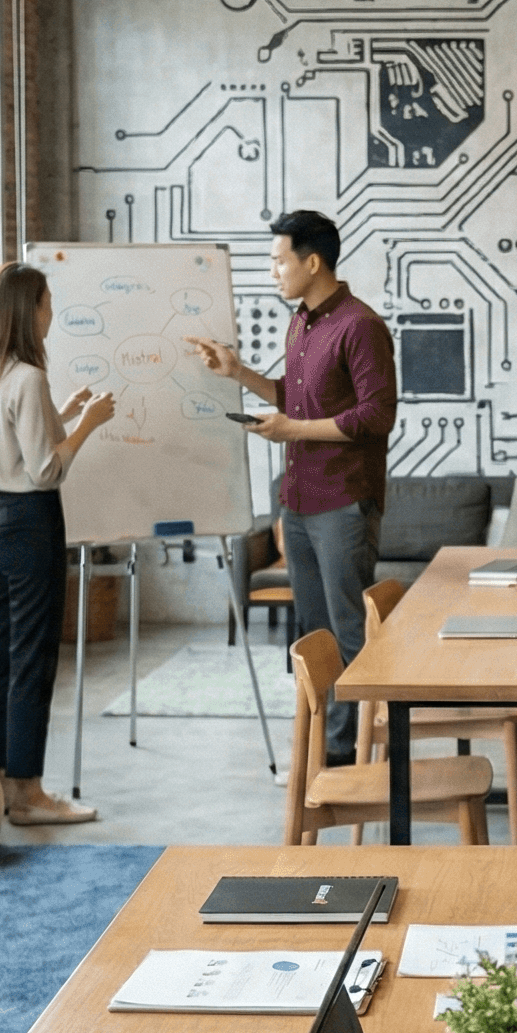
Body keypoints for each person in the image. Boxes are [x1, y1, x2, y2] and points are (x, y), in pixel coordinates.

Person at [186, 210, 396, 765]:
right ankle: (323, 751)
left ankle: (349, 760)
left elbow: (376, 416)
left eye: (279, 260)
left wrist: (292, 431)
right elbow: (292, 397)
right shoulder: (303, 322)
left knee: (350, 634)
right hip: (300, 505)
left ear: (311, 260)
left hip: (344, 503)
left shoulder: (360, 325)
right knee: (314, 638)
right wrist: (237, 373)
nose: (273, 271)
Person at [0, 261, 116, 825]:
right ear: (30, 311)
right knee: (33, 660)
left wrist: (66, 413)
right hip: (29, 524)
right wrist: (89, 424)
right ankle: (29, 793)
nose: (51, 312)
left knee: (0, 657)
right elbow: (48, 469)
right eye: (47, 302)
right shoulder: (27, 376)